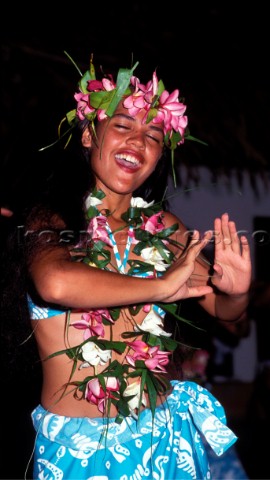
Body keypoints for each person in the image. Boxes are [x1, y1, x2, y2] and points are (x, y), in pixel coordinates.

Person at [2, 53, 252, 479]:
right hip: (79, 451)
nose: (138, 143)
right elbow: (56, 284)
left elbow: (226, 313)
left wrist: (236, 291)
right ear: (88, 136)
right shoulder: (51, 218)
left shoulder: (164, 228)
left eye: (154, 135)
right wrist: (161, 286)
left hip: (164, 437)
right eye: (122, 126)